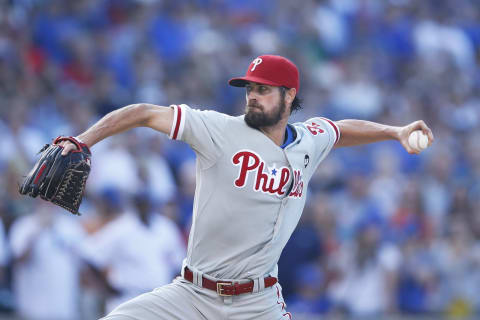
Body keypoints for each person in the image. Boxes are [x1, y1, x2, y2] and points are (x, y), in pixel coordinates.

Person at [59, 55, 434, 320]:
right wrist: (83, 140)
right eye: (249, 88)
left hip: (259, 304)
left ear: (289, 96)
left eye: (264, 89)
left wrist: (394, 131)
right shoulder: (217, 129)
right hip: (191, 294)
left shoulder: (308, 140)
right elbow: (143, 112)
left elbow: (339, 130)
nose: (252, 95)